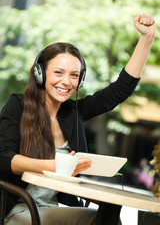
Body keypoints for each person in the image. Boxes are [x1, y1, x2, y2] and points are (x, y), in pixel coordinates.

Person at [0, 13, 155, 225]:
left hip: (51, 211)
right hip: (18, 210)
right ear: (40, 73)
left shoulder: (73, 113)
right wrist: (57, 165)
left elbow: (119, 90)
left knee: (107, 217)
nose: (66, 81)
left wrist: (147, 38)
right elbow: (4, 159)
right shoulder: (18, 105)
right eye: (58, 72)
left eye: (74, 75)